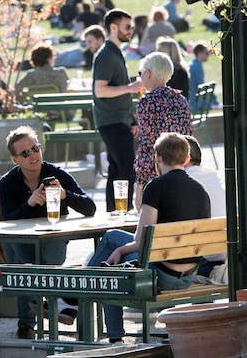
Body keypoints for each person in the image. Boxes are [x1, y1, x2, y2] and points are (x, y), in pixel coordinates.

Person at [87, 132, 210, 343]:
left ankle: (83, 292)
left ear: (158, 157)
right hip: (188, 275)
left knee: (110, 264)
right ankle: (83, 287)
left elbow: (142, 240)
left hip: (161, 275)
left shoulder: (156, 186)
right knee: (112, 238)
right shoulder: (200, 190)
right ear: (187, 159)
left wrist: (120, 250)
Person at [0, 126, 96, 339]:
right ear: (15, 159)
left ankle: (39, 307)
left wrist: (64, 195)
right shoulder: (8, 182)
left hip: (53, 238)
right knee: (23, 259)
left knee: (34, 264)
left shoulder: (56, 174)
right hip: (21, 241)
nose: (33, 155)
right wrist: (30, 203)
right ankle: (59, 299)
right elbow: (8, 221)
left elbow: (90, 208)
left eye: (35, 148)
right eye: (25, 153)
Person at [93, 9, 144, 211]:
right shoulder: (106, 55)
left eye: (131, 26)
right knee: (127, 169)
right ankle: (122, 213)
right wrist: (130, 88)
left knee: (116, 170)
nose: (131, 30)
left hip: (120, 120)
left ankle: (114, 214)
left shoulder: (115, 52)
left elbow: (117, 88)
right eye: (127, 26)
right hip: (110, 120)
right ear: (113, 27)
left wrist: (131, 119)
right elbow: (100, 90)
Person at [133, 52, 192, 208]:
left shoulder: (146, 102)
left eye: (141, 73)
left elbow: (146, 145)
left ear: (148, 73)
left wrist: (140, 184)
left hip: (157, 175)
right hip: (182, 170)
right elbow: (189, 137)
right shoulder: (181, 100)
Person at [183, 135, 227, 277]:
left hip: (203, 263)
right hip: (225, 259)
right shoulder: (213, 176)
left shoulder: (183, 181)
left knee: (113, 239)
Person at [188, 42, 220, 111]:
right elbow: (201, 84)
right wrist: (214, 99)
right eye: (207, 53)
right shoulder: (197, 66)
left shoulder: (192, 64)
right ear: (200, 53)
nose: (208, 55)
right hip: (195, 102)